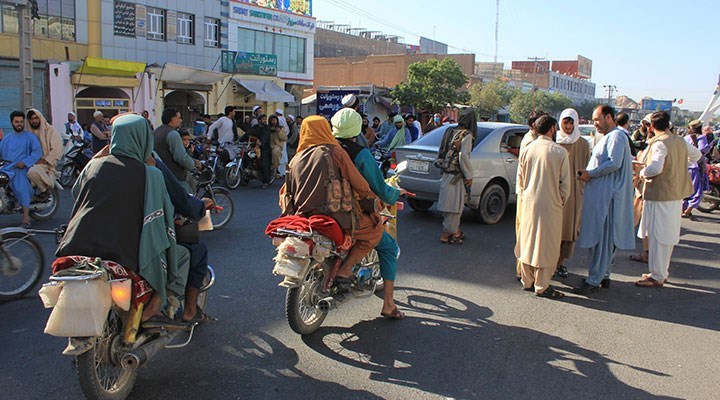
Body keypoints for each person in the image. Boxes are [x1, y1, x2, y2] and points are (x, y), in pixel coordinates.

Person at [56, 114, 186, 328]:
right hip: (125, 255)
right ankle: (153, 309)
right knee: (179, 255)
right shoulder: (150, 174)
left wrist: (101, 155)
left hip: (76, 246)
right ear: (144, 139)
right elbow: (164, 215)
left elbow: (77, 192)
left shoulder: (94, 166)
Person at [331, 108, 411, 319]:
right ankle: (389, 304)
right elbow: (378, 187)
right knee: (388, 246)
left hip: (320, 211)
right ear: (357, 128)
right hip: (349, 214)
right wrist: (395, 193)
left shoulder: (321, 149)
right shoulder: (359, 154)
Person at [279, 115, 375, 271]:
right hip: (335, 217)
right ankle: (345, 271)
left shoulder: (295, 159)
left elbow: (285, 191)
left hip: (302, 217)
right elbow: (360, 184)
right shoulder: (335, 152)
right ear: (326, 130)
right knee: (375, 230)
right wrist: (371, 197)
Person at [636, 111, 701, 288]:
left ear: (651, 126)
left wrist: (642, 172)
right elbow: (696, 155)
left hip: (660, 195)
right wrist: (679, 166)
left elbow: (655, 168)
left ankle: (657, 275)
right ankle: (660, 272)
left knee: (657, 236)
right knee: (666, 235)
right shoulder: (679, 140)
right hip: (675, 195)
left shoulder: (660, 143)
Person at [575, 105, 635, 294]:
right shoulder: (610, 136)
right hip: (603, 196)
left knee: (602, 240)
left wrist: (590, 174)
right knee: (604, 240)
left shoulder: (616, 136)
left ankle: (594, 280)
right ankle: (603, 275)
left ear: (609, 117)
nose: (595, 124)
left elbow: (613, 163)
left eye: (597, 119)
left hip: (607, 198)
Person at [515, 115, 570, 299]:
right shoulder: (560, 152)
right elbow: (565, 186)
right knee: (547, 245)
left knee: (527, 241)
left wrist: (525, 197)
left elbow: (520, 180)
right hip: (551, 205)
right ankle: (542, 285)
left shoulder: (527, 149)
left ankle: (527, 281)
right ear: (552, 128)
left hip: (528, 203)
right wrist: (559, 201)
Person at [555, 108, 591, 278]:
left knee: (569, 231)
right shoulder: (554, 141)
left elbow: (587, 167)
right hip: (556, 192)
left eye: (571, 123)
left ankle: (560, 263)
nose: (568, 127)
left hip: (575, 193)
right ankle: (549, 263)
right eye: (565, 123)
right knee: (553, 229)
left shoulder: (583, 144)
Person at [436, 108, 476, 244]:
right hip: (456, 176)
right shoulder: (466, 135)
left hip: (446, 173)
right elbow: (463, 156)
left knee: (447, 204)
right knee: (455, 206)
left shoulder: (449, 131)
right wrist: (469, 175)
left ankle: (454, 231)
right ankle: (449, 233)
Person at [514, 110, 547, 280]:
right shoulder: (531, 142)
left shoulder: (533, 140)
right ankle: (523, 270)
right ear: (535, 125)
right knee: (526, 233)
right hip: (527, 194)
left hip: (527, 192)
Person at [0, 111, 42, 228]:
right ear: (11, 123)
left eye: (21, 122)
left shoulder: (30, 137)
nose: (19, 124)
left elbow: (37, 152)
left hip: (21, 168)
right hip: (7, 168)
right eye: (16, 122)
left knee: (20, 188)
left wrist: (25, 162)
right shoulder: (7, 139)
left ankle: (26, 219)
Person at [153, 108, 200, 192]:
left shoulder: (157, 131)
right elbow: (181, 157)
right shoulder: (172, 134)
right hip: (174, 176)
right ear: (172, 119)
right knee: (188, 196)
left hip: (160, 174)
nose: (181, 120)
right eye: (179, 118)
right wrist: (193, 165)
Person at [25, 109, 63, 201]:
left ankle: (45, 190)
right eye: (31, 119)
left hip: (46, 164)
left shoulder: (50, 130)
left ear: (40, 118)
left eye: (36, 118)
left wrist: (45, 160)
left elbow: (56, 149)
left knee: (32, 172)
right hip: (31, 161)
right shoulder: (28, 133)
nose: (34, 121)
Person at [681, 119, 710, 219]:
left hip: (686, 166)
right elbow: (702, 150)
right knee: (697, 191)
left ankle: (683, 209)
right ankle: (687, 211)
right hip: (696, 166)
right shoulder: (701, 137)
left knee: (686, 189)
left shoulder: (686, 138)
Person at [247, 114, 273, 187]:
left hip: (265, 148)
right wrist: (240, 140)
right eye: (263, 119)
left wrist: (261, 143)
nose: (265, 120)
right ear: (259, 120)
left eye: (265, 119)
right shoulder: (255, 127)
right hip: (255, 147)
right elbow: (248, 133)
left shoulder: (267, 128)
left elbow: (265, 137)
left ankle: (266, 181)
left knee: (264, 163)